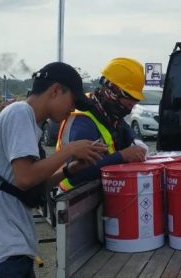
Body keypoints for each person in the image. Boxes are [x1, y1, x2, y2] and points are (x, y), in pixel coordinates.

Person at [0, 62, 108, 278]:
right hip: (0, 256)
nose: (72, 110)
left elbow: (30, 184)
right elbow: (24, 177)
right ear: (55, 90)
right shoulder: (20, 113)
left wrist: (67, 170)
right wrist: (68, 150)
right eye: (72, 101)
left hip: (12, 253)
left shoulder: (29, 123)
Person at [56, 57, 149, 191]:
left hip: (99, 193)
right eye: (128, 103)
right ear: (112, 91)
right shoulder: (82, 121)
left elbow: (123, 127)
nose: (130, 109)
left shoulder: (106, 110)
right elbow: (79, 172)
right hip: (75, 198)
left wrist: (136, 140)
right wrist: (122, 156)